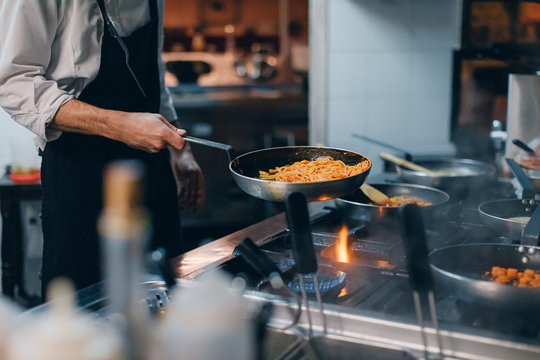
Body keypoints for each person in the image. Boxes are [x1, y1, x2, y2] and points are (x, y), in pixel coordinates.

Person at [0, 0, 205, 295]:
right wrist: (120, 126)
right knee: (82, 307)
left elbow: (154, 70)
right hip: (79, 172)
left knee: (163, 294)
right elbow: (12, 82)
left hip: (151, 168)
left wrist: (180, 151)